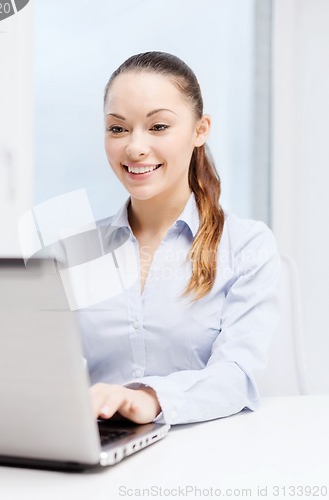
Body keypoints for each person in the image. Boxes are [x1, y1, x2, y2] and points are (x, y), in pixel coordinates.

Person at [75, 51, 280, 426]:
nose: (135, 147)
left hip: (200, 455)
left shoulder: (247, 246)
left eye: (158, 127)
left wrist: (150, 399)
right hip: (93, 454)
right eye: (117, 128)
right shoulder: (75, 253)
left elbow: (237, 376)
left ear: (200, 130)